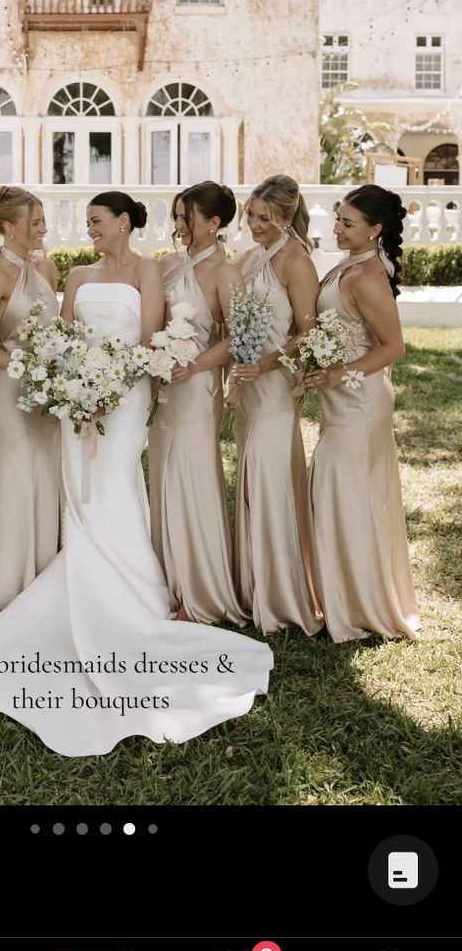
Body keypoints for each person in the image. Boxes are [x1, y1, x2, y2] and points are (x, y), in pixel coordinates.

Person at [0, 191, 273, 757]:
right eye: (86, 223)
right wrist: (74, 383)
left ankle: (134, 593)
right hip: (75, 397)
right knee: (79, 489)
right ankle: (83, 577)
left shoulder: (150, 270)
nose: (89, 231)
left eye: (97, 222)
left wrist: (115, 382)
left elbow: (151, 337)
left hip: (127, 397)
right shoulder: (76, 275)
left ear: (124, 223)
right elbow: (59, 337)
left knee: (116, 484)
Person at [304, 184, 420, 642]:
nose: (338, 228)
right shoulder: (346, 263)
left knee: (348, 491)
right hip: (340, 400)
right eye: (338, 218)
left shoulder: (369, 275)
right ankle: (344, 597)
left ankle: (363, 604)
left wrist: (338, 374)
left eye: (348, 223)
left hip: (361, 401)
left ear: (376, 230)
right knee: (340, 492)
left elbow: (394, 347)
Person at [149, 181, 246, 625]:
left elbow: (237, 340)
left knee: (192, 476)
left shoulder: (225, 274)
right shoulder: (167, 264)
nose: (179, 225)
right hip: (162, 387)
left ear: (215, 222)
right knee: (162, 475)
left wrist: (192, 365)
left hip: (198, 386)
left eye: (187, 217)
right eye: (177, 216)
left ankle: (199, 590)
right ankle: (161, 580)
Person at [231, 175, 324, 636]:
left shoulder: (296, 261)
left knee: (269, 482)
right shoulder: (247, 259)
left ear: (287, 218)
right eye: (250, 215)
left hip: (273, 388)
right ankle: (252, 589)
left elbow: (307, 333)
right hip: (245, 388)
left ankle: (281, 597)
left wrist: (264, 365)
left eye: (264, 218)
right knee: (249, 483)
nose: (254, 225)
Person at [0, 186, 62, 618]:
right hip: (8, 395)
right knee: (13, 484)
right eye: (36, 222)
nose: (43, 228)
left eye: (43, 220)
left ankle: (43, 581)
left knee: (44, 479)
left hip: (44, 398)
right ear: (10, 227)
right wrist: (24, 367)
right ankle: (7, 588)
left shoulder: (46, 267)